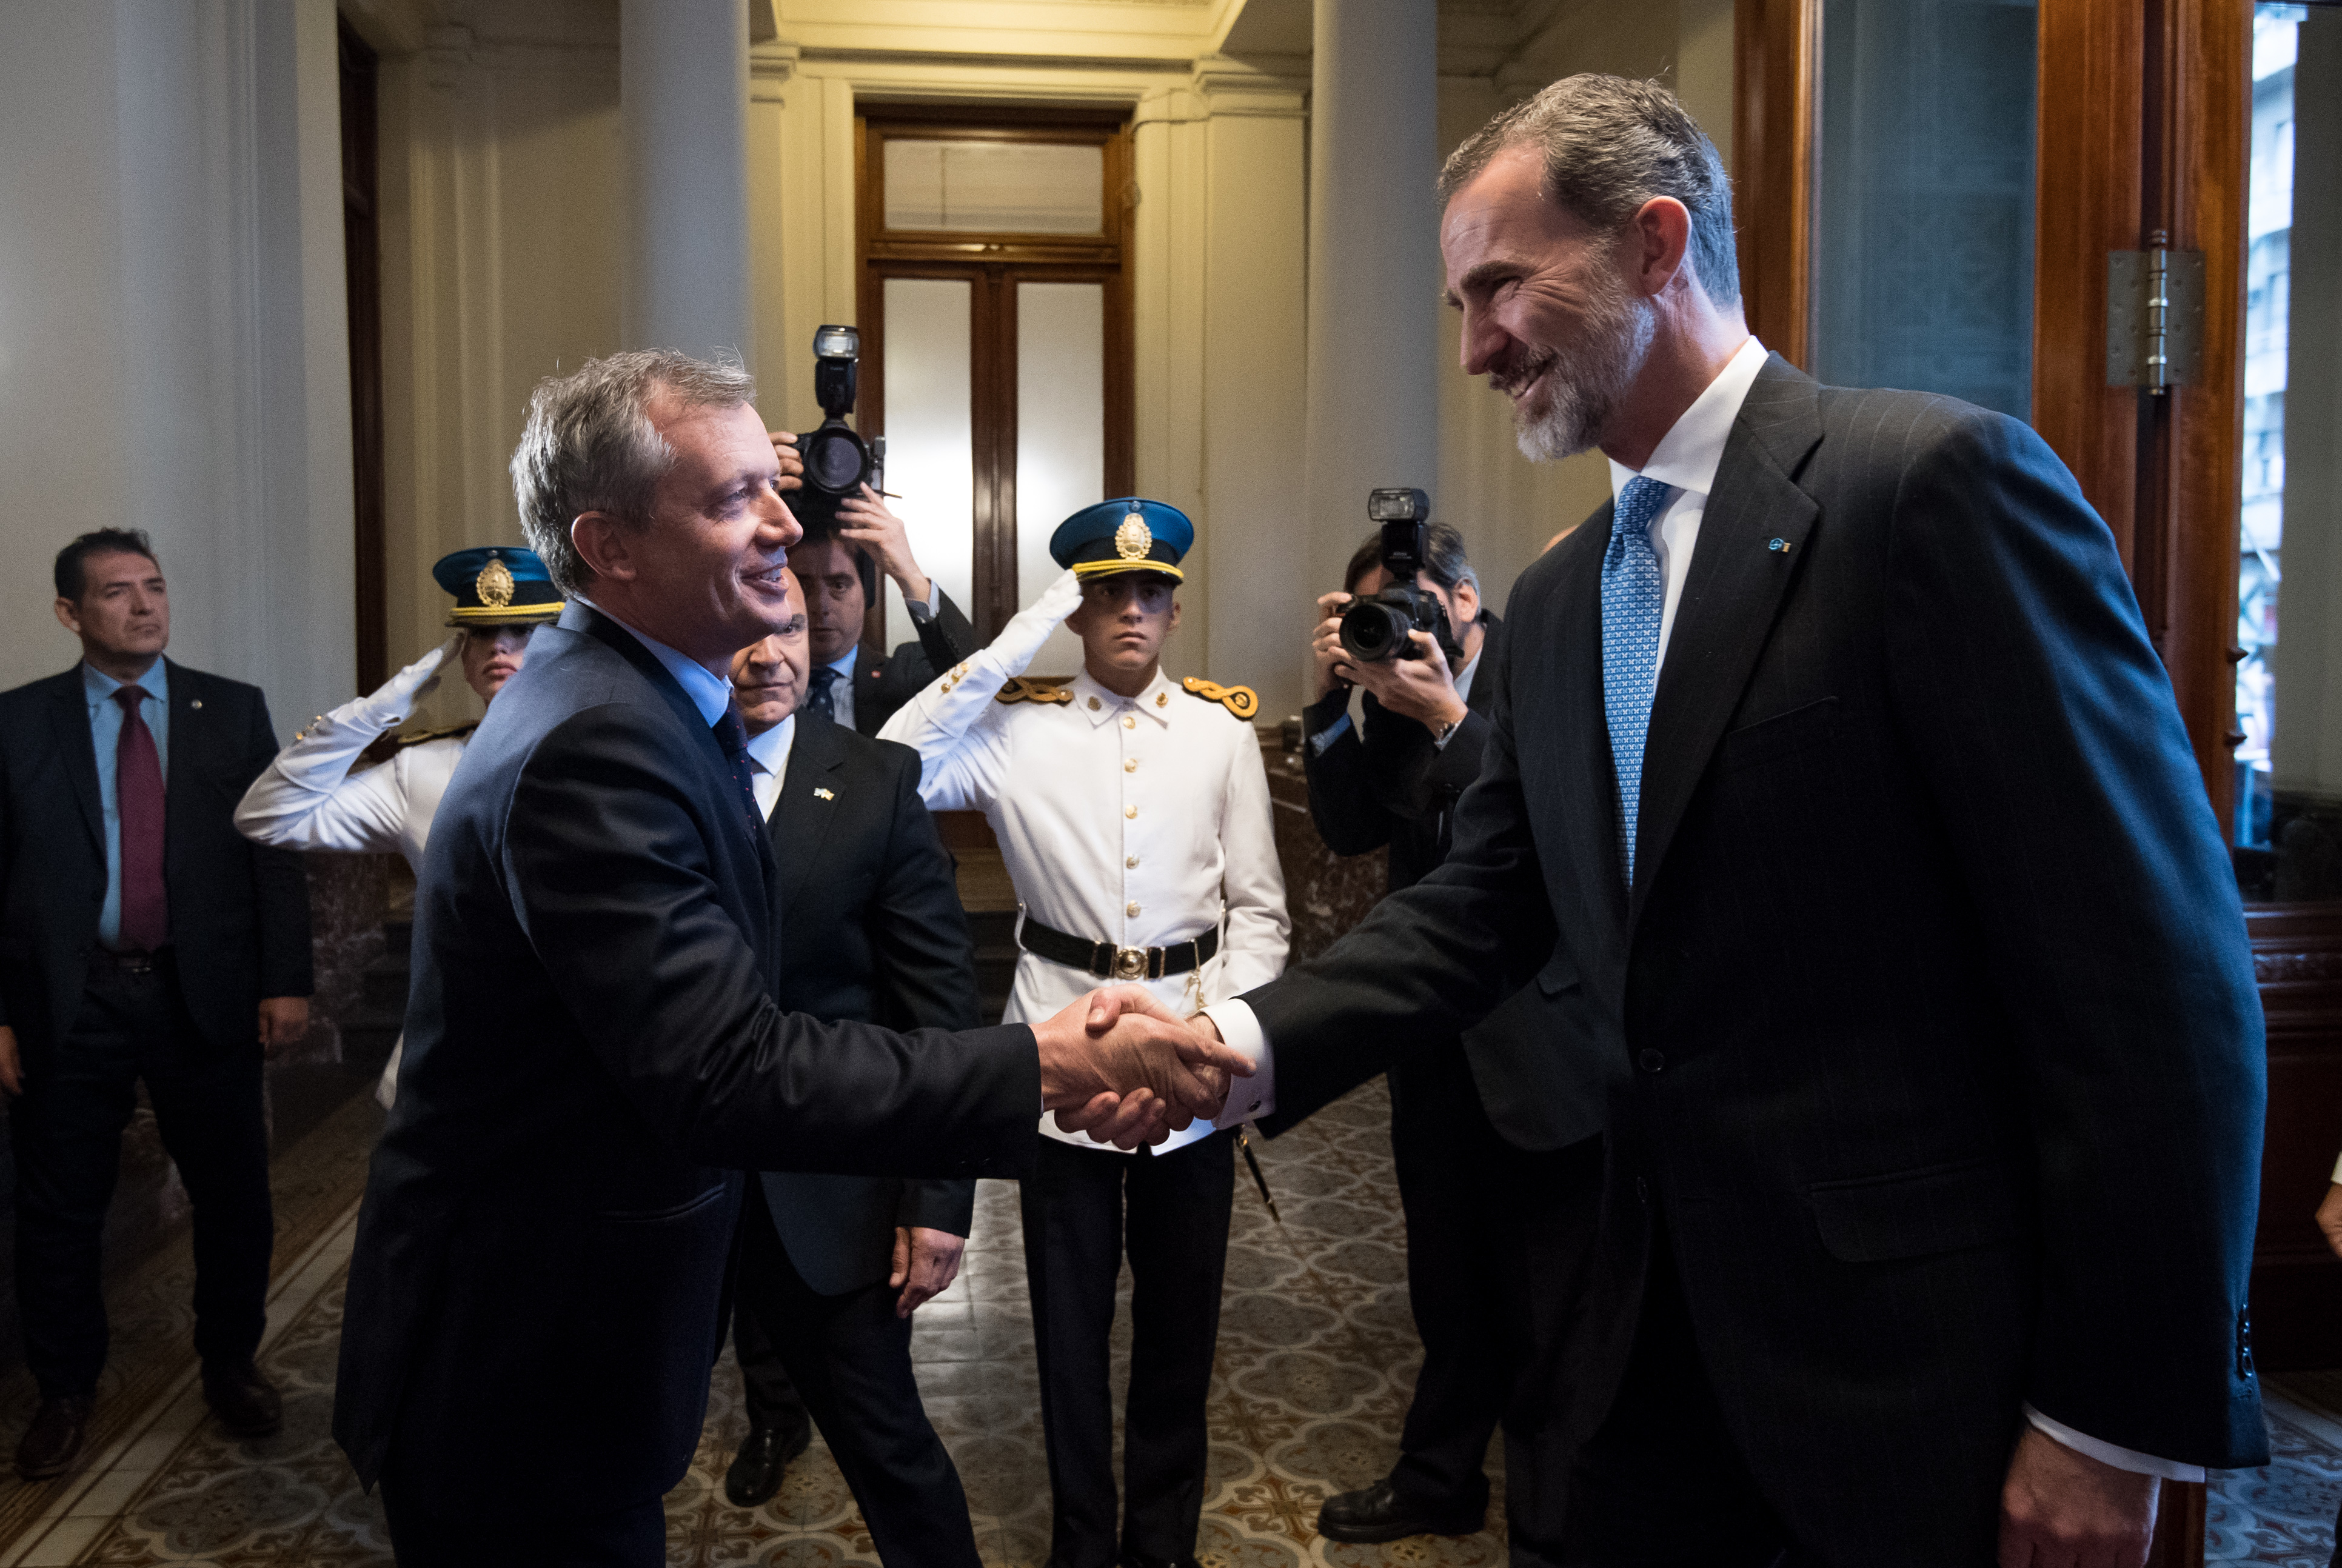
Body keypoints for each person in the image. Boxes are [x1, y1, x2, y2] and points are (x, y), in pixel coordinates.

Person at [1185, 75, 2269, 1568]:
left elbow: (2152, 978)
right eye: (1457, 302)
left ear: (1651, 244)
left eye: (1498, 285)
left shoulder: (1926, 489)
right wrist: (1239, 1043)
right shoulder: (1561, 598)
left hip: (1913, 1393)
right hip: (1632, 1360)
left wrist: (2108, 1416)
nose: (1474, 345)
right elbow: (1482, 903)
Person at [330, 350, 1251, 1563]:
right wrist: (1037, 1064)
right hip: (523, 1373)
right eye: (731, 500)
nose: (780, 522)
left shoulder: (642, 702)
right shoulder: (600, 742)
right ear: (608, 545)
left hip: (556, 1348)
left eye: (773, 485)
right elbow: (724, 1069)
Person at [880, 499, 1289, 1568]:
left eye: (1149, 591)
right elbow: (894, 755)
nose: (1130, 611)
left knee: (1178, 1330)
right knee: (1067, 1334)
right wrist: (1015, 632)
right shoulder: (1013, 728)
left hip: (1191, 1062)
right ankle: (1080, 1545)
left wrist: (1216, 1043)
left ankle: (1160, 1546)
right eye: (1105, 591)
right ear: (1076, 607)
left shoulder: (1219, 728)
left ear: (1175, 606)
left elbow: (1259, 911)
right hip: (1056, 1066)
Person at [1299, 524, 1606, 1559]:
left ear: (1464, 600)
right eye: (1368, 614)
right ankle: (1439, 1478)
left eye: (1408, 602)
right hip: (1432, 1040)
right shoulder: (1388, 687)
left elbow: (1557, 824)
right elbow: (1345, 829)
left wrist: (1445, 716)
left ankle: (1550, 1521)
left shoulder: (1545, 658)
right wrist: (1333, 698)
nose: (1399, 627)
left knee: (1542, 1303)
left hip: (1538, 1038)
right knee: (1446, 1274)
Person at [0, 530, 313, 1479]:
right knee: (58, 1208)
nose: (143, 606)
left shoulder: (231, 710)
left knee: (233, 1196)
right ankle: (65, 1388)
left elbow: (271, 850)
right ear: (70, 613)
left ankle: (229, 1361)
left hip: (200, 991)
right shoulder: (18, 723)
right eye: (116, 593)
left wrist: (286, 976)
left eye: (155, 587)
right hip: (72, 999)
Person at [714, 572, 986, 1565]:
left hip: (830, 1195)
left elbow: (939, 1007)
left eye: (786, 626)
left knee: (888, 1444)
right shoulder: (659, 769)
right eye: (743, 629)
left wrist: (938, 1197)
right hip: (684, 1185)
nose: (767, 652)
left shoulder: (876, 780)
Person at [233, 545, 563, 1105]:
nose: (499, 646)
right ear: (460, 655)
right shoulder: (423, 769)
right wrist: (383, 706)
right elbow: (268, 816)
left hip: (566, 1071)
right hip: (448, 1070)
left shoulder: (609, 759)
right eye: (480, 635)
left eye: (522, 631)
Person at [768, 447, 978, 733]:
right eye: (803, 586)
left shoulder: (905, 676)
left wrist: (909, 574)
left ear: (867, 591)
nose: (821, 606)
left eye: (839, 585)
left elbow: (982, 684)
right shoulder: (752, 675)